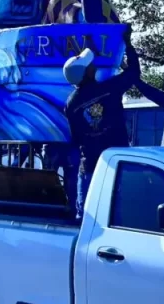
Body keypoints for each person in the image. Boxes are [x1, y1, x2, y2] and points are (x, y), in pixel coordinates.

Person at [63, 39, 139, 217]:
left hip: (89, 167)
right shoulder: (110, 88)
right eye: (88, 64)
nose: (92, 64)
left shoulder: (71, 103)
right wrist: (127, 44)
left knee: (87, 219)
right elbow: (134, 73)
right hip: (116, 164)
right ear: (86, 73)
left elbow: (76, 139)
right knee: (117, 216)